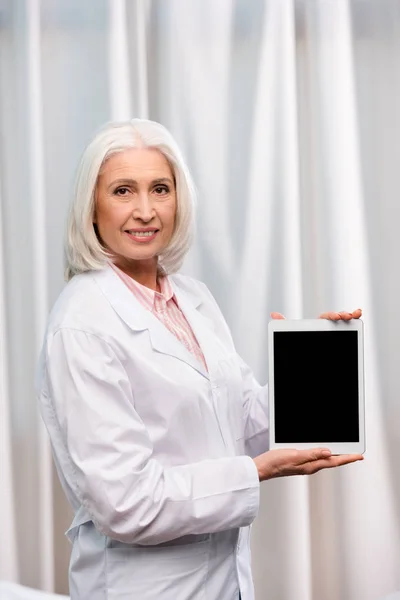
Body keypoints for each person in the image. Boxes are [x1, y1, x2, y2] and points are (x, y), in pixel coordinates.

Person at [36, 118, 363, 600]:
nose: (145, 211)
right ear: (92, 207)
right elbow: (124, 503)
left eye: (160, 189)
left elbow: (239, 421)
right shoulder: (82, 324)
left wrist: (313, 363)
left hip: (223, 580)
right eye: (123, 191)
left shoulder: (193, 298)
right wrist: (254, 472)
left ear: (178, 199)